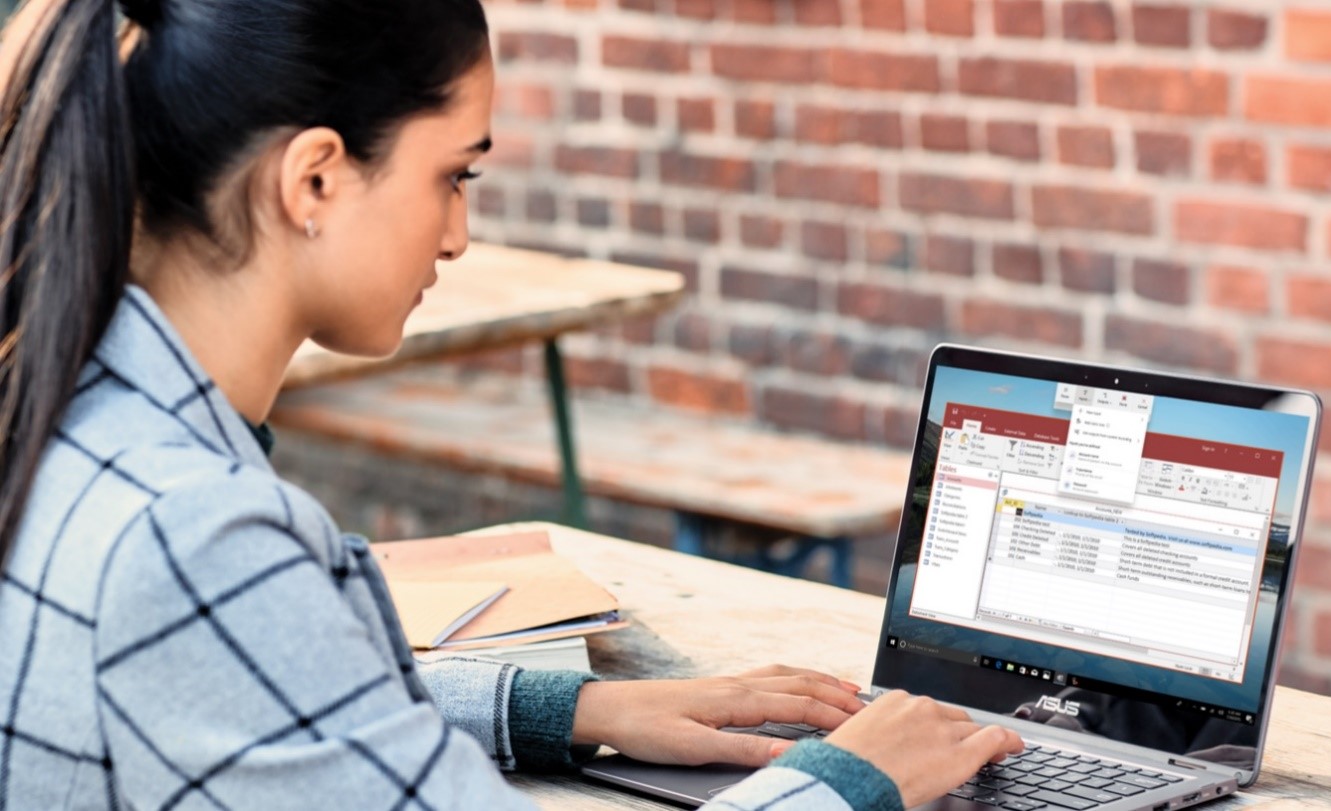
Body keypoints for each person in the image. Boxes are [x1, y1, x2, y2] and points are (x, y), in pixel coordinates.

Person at [0, 0, 1023, 808]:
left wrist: (573, 707)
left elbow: (254, 694)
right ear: (313, 180)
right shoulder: (194, 536)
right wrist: (851, 781)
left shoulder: (65, 418)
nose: (457, 236)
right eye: (453, 175)